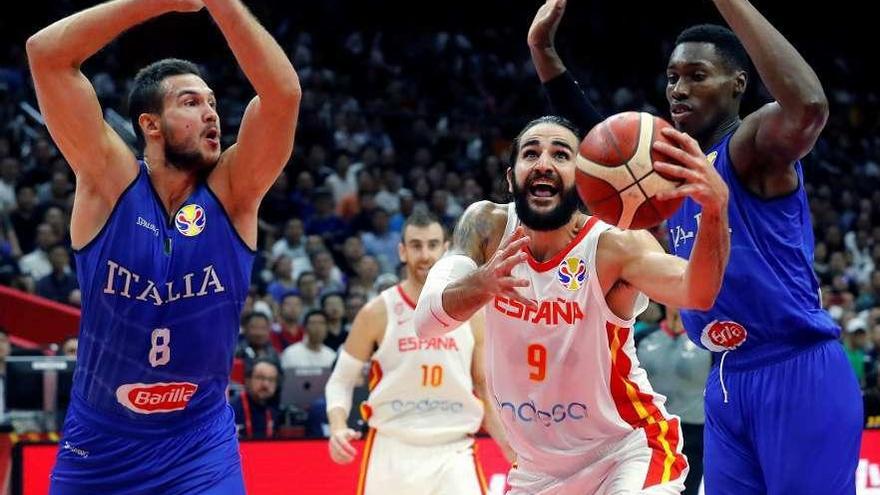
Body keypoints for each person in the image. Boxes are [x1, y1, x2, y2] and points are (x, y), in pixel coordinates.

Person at [526, 0, 863, 493]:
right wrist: (543, 51)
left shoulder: (750, 148)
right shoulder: (675, 173)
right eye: (672, 77)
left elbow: (808, 107)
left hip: (796, 370)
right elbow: (604, 144)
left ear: (737, 85)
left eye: (697, 75)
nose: (678, 89)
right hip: (725, 379)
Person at [27, 0, 301, 492]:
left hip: (198, 446)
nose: (211, 114)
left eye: (213, 104)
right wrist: (163, 2)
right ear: (150, 125)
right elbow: (46, 54)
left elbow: (282, 95)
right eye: (191, 103)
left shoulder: (235, 193)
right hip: (100, 445)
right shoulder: (109, 181)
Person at [414, 116, 729, 494]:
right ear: (511, 177)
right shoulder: (486, 226)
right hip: (536, 470)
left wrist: (714, 210)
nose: (544, 163)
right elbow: (427, 322)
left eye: (561, 154)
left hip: (626, 451)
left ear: (584, 178)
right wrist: (481, 284)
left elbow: (697, 292)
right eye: (531, 153)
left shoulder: (616, 246)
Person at [326, 210, 513, 495]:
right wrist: (338, 427)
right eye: (416, 245)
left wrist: (512, 453)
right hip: (391, 447)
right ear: (402, 251)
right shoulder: (377, 312)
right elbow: (341, 380)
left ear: (447, 249)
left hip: (454, 449)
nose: (425, 255)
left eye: (432, 244)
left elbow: (485, 389)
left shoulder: (473, 313)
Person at [637, 307, 711, 495]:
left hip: (693, 429)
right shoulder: (642, 336)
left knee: (688, 489)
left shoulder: (707, 340)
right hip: (650, 430)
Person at [229, 358, 282, 440]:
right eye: (260, 378)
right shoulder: (231, 409)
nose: (265, 384)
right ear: (247, 381)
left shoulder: (276, 411)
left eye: (271, 380)